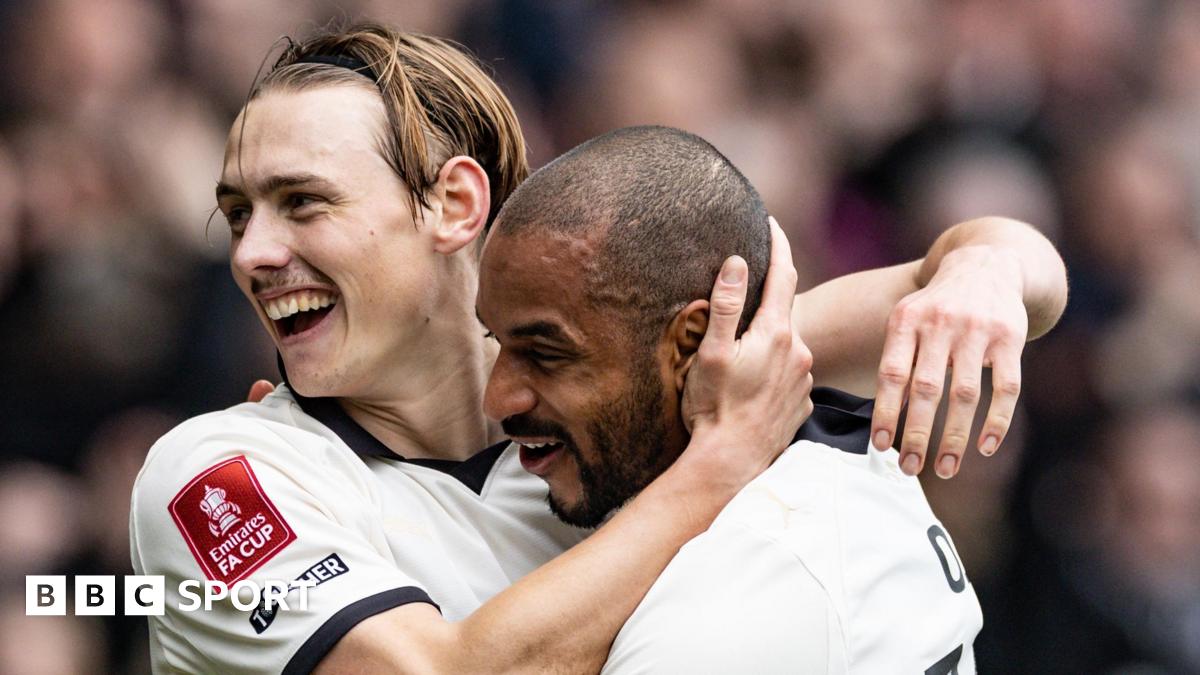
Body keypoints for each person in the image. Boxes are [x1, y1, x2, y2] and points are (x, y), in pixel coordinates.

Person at [131, 23, 1066, 674]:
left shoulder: (615, 382)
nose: (251, 251)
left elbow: (1006, 278)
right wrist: (721, 462)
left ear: (453, 205)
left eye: (303, 202)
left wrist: (982, 271)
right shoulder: (215, 476)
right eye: (238, 213)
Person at [475, 125, 1056, 673]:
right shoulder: (743, 372)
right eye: (495, 341)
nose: (495, 397)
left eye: (546, 354)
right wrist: (989, 260)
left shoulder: (750, 594)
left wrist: (990, 267)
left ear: (695, 341)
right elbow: (957, 271)